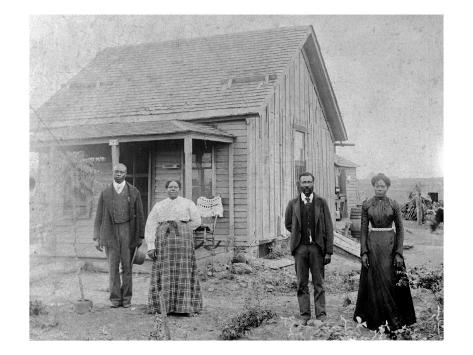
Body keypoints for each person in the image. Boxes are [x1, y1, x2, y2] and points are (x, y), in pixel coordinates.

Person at [353, 173, 416, 330]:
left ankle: (394, 317)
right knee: (374, 280)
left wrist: (399, 252)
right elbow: (363, 230)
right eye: (377, 186)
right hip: (373, 244)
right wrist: (364, 252)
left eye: (382, 186)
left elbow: (400, 229)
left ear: (387, 187)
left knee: (390, 279)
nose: (379, 188)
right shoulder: (367, 205)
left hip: (390, 244)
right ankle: (375, 319)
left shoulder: (394, 204)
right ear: (373, 186)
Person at [145, 180, 203, 315]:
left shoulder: (188, 203)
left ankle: (184, 307)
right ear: (166, 189)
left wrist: (184, 228)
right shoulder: (159, 205)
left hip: (183, 241)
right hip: (164, 242)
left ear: (179, 189)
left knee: (184, 270)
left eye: (175, 187)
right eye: (170, 187)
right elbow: (151, 225)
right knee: (164, 270)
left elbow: (197, 220)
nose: (173, 189)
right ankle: (163, 306)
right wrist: (151, 246)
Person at [284, 172, 334, 324]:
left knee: (319, 283)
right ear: (299, 184)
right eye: (304, 182)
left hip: (317, 249)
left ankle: (321, 315)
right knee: (301, 283)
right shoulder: (293, 204)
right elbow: (288, 224)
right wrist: (298, 236)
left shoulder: (321, 202)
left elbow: (329, 227)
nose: (306, 185)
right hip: (300, 249)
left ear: (313, 183)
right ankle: (305, 315)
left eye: (309, 182)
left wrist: (328, 251)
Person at [93, 163, 145, 308]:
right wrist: (97, 237)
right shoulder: (105, 193)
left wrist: (140, 235)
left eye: (121, 172)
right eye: (116, 172)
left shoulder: (134, 192)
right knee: (113, 267)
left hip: (128, 232)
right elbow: (98, 216)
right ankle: (115, 299)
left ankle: (127, 299)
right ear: (112, 173)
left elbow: (140, 214)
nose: (118, 174)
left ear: (125, 174)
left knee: (127, 267)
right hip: (110, 233)